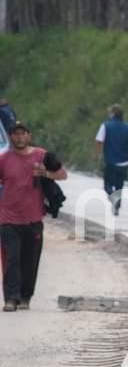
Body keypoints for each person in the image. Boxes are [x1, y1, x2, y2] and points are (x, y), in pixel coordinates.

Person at [0, 122, 67, 312]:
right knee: (11, 259)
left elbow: (63, 174)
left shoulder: (42, 156)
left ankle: (25, 297)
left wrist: (44, 173)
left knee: (30, 261)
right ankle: (10, 299)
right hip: (8, 218)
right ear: (11, 137)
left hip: (33, 218)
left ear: (29, 136)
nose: (19, 137)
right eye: (15, 134)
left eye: (23, 134)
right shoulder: (4, 159)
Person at [95, 104, 128, 215]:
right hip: (124, 163)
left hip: (110, 162)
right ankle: (117, 204)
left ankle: (114, 199)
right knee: (119, 186)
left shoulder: (105, 126)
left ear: (113, 113)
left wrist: (98, 154)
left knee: (107, 185)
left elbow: (99, 141)